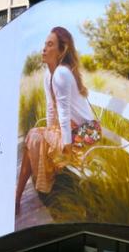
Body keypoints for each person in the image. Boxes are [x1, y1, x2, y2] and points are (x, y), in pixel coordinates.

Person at [15, 26, 95, 214]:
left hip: (86, 132)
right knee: (35, 137)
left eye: (50, 45)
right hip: (69, 129)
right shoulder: (48, 75)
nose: (44, 49)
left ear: (62, 51)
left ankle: (17, 198)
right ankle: (17, 198)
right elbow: (51, 108)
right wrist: (50, 132)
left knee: (36, 139)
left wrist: (65, 145)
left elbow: (64, 114)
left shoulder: (62, 74)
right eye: (44, 44)